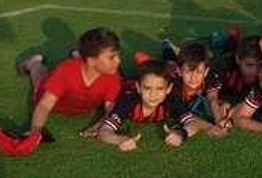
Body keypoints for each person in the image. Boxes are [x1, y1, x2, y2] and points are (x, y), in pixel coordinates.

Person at [94, 60, 222, 151]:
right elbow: (104, 131)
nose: (153, 95)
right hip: (124, 85)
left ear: (168, 89)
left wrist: (180, 134)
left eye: (160, 89)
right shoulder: (129, 101)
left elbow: (193, 123)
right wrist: (120, 140)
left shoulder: (172, 100)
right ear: (138, 88)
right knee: (113, 78)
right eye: (147, 88)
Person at [16, 28, 122, 137]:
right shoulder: (66, 71)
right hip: (55, 103)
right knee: (39, 80)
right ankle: (33, 63)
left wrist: (100, 126)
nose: (118, 61)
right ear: (91, 60)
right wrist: (36, 131)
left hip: (81, 104)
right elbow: (45, 105)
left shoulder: (113, 76)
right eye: (111, 57)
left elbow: (111, 110)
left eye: (118, 55)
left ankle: (77, 55)